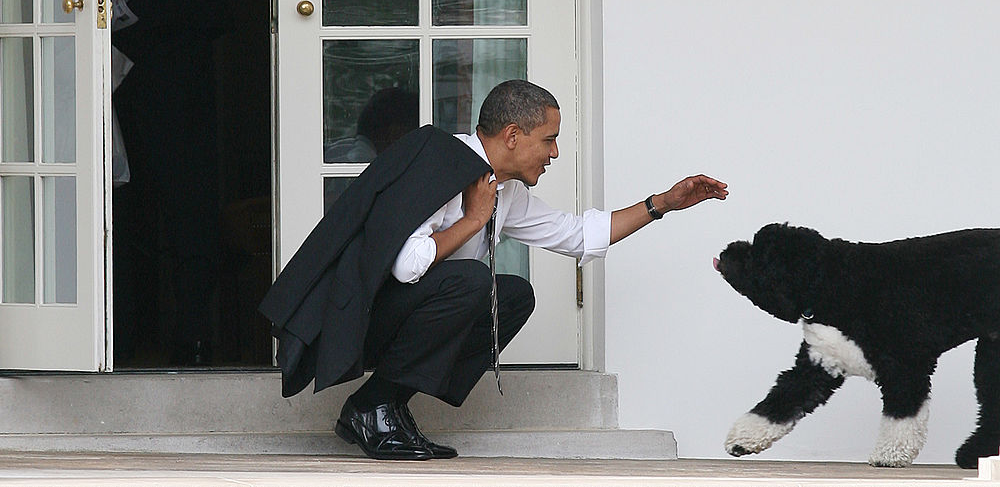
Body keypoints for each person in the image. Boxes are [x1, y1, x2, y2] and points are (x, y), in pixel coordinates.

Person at [260, 79, 728, 461]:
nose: (555, 153)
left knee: (515, 294)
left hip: (402, 316)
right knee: (472, 281)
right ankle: (374, 406)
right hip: (356, 321)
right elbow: (404, 266)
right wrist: (473, 221)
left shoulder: (504, 189)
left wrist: (663, 204)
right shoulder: (439, 163)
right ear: (511, 136)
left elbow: (577, 234)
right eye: (549, 140)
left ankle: (383, 404)